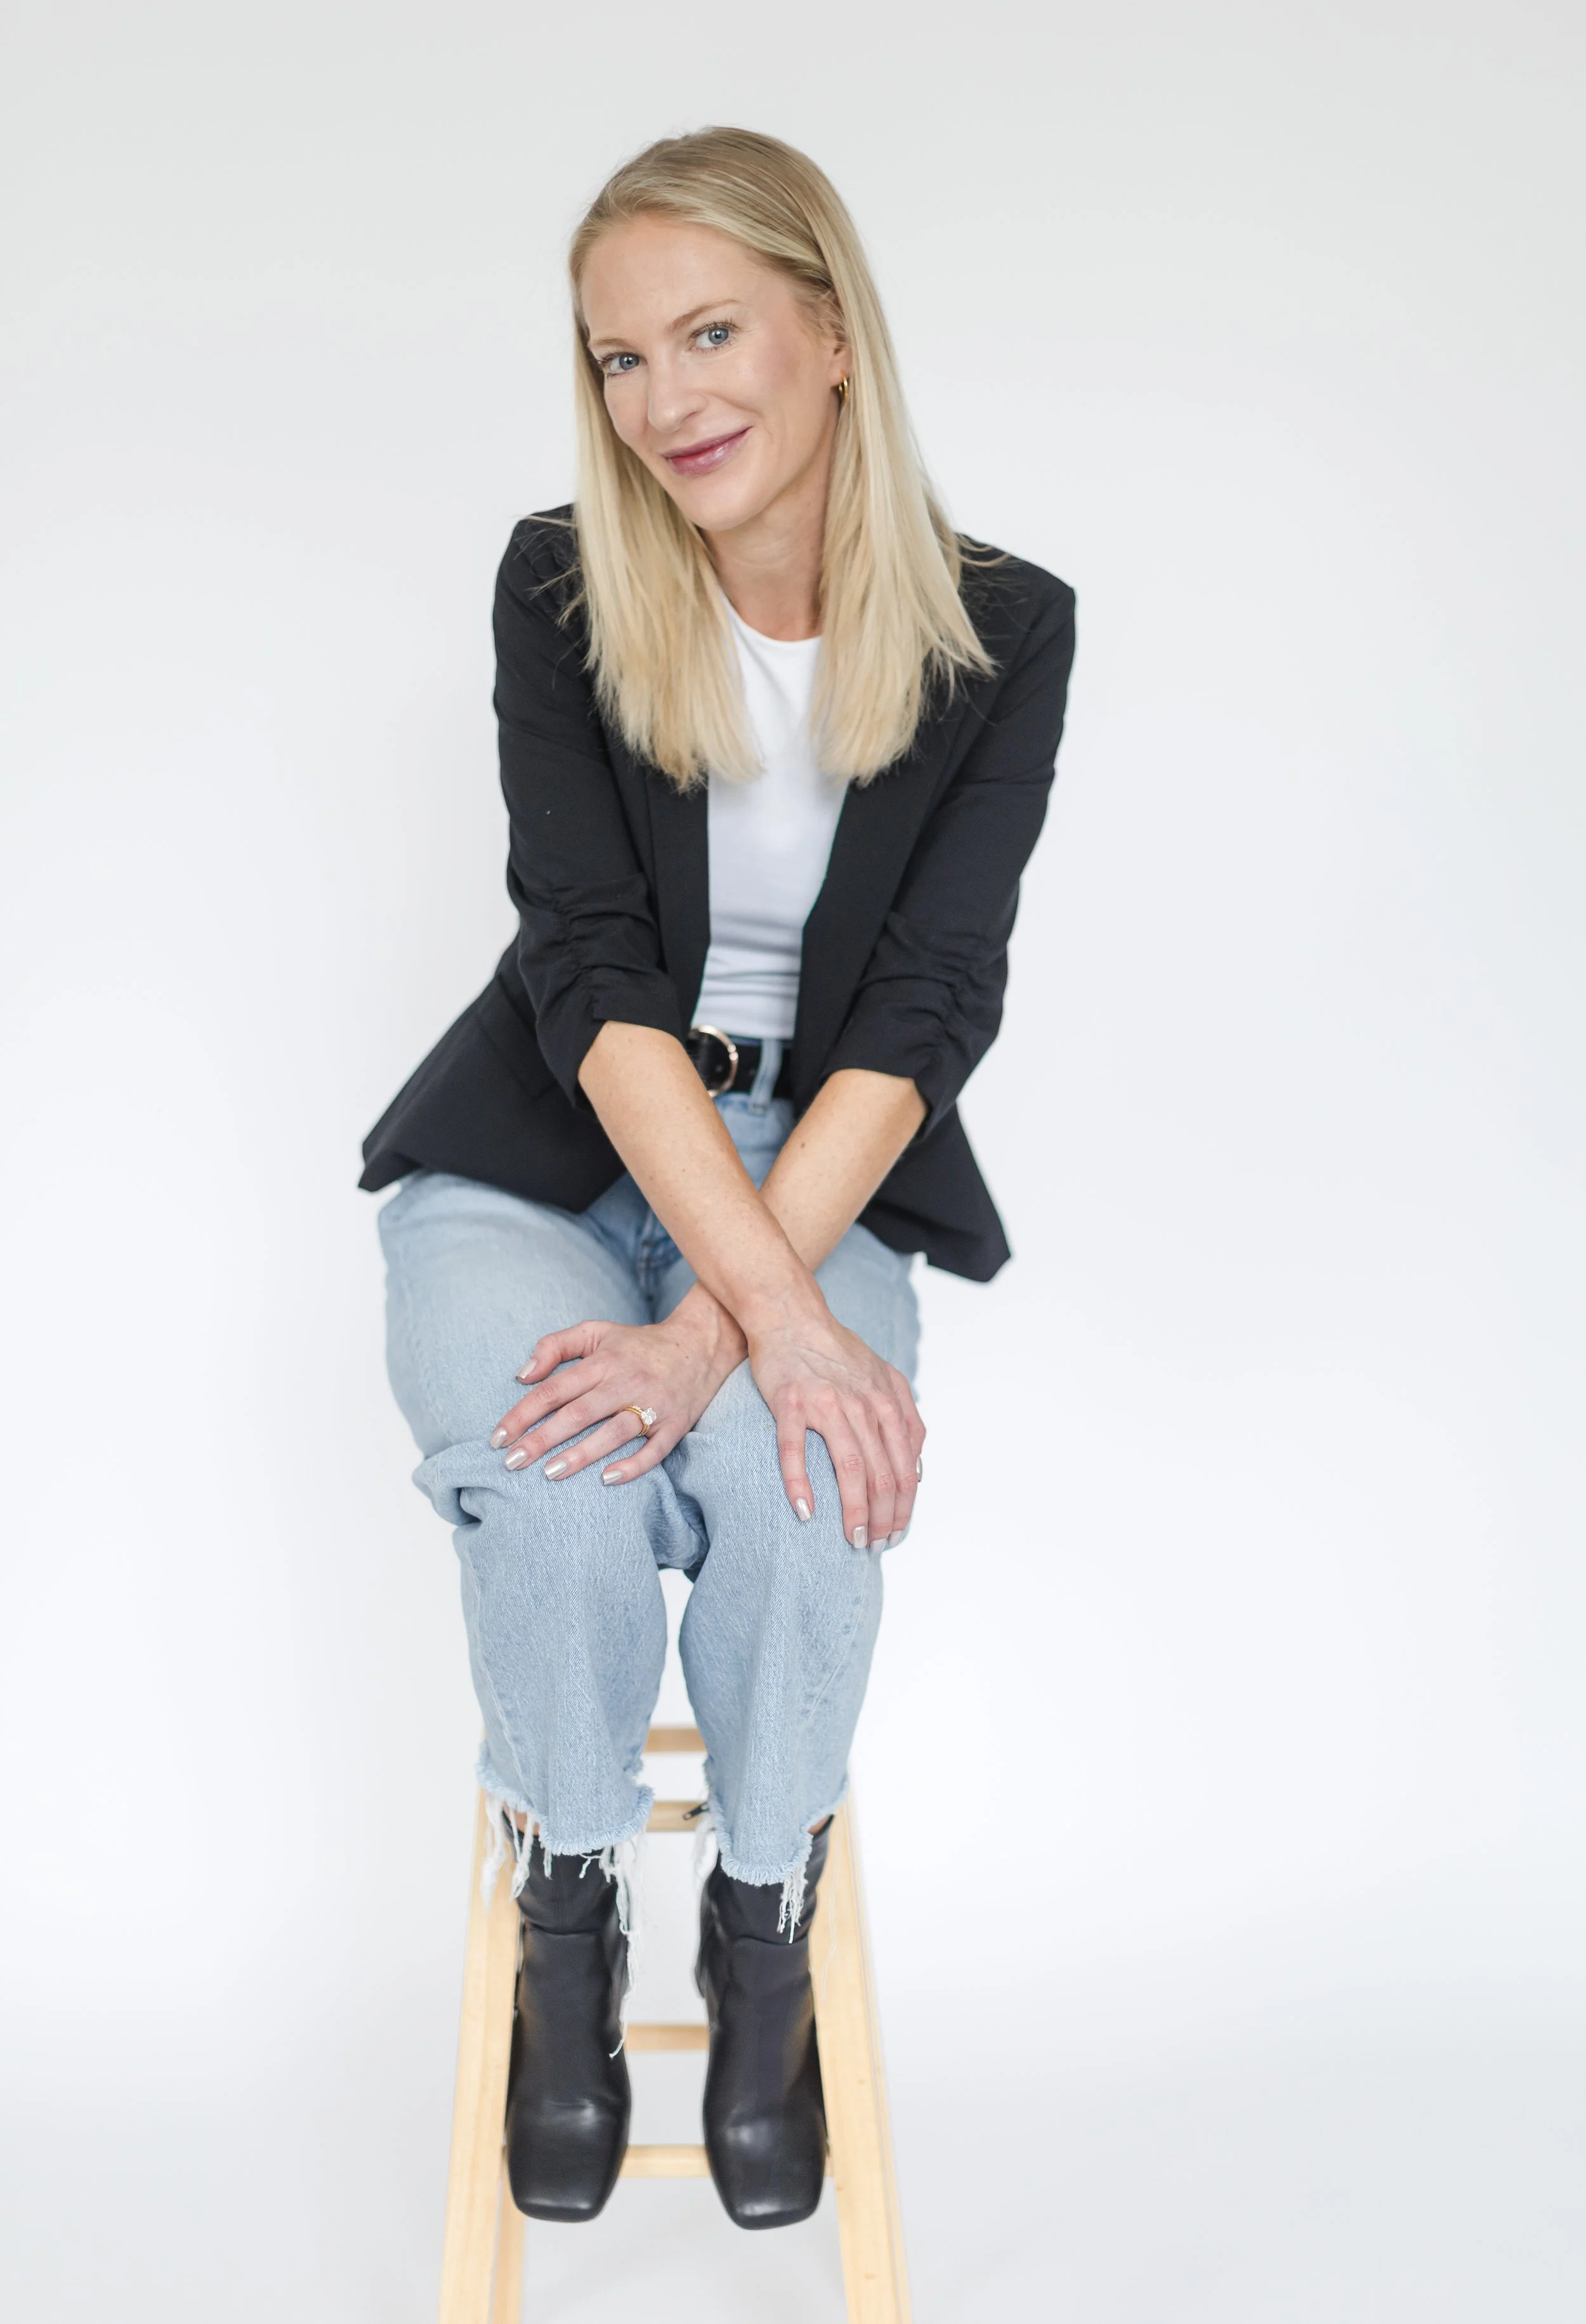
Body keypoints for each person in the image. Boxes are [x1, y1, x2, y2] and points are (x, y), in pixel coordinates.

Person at [362, 127, 1075, 2232]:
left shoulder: (1001, 634)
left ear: (830, 333)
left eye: (706, 332)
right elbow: (588, 970)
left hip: (821, 1158)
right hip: (548, 1147)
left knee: (800, 1478)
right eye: (615, 359)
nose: (662, 399)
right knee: (557, 1457)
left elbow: (925, 1004)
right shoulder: (562, 586)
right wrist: (722, 1326)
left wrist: (729, 1324)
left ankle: (758, 1919)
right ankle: (569, 1899)